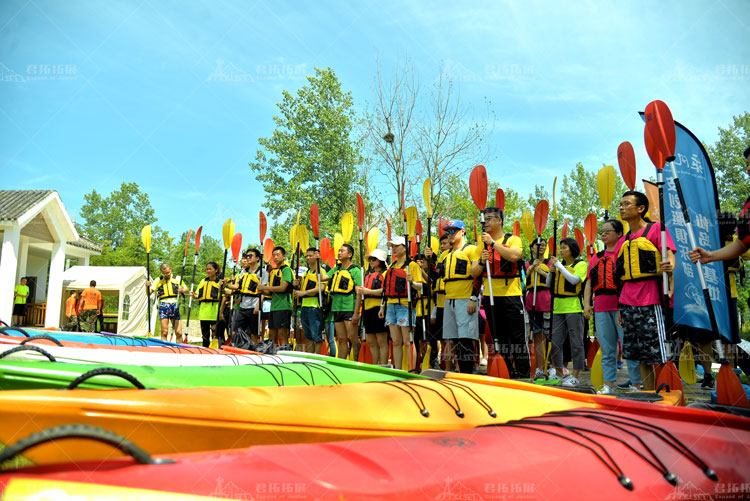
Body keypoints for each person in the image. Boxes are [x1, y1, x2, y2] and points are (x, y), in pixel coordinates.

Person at [616, 190, 676, 391]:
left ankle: (664, 392)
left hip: (651, 300)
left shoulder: (656, 229)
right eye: (621, 205)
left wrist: (670, 265)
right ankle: (649, 393)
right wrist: (620, 308)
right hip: (627, 302)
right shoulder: (622, 241)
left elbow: (669, 254)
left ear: (641, 209)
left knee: (657, 352)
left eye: (626, 204)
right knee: (639, 354)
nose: (622, 208)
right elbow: (620, 276)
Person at [471, 206, 529, 379]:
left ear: (499, 220)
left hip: (511, 295)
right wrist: (481, 261)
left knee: (517, 338)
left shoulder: (513, 239)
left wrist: (493, 244)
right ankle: (506, 375)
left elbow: (515, 256)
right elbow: (473, 272)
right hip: (490, 297)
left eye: (489, 219)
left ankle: (524, 376)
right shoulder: (480, 245)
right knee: (499, 339)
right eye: (484, 219)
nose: (485, 222)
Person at [583, 219, 641, 394]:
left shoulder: (625, 254)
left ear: (619, 234)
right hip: (601, 306)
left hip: (622, 306)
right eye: (602, 231)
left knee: (628, 346)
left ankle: (636, 384)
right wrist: (587, 304)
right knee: (607, 348)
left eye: (607, 231)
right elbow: (588, 283)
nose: (603, 234)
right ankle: (609, 385)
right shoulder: (597, 257)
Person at [438, 220, 479, 374]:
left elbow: (477, 275)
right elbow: (436, 276)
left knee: (465, 339)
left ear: (462, 231)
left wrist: (473, 298)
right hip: (449, 299)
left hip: (465, 298)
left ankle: (468, 373)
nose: (450, 234)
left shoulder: (471, 250)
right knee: (453, 339)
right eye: (448, 231)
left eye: (453, 230)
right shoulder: (445, 255)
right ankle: (459, 371)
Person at [547, 237, 588, 387]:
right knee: (556, 342)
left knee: (576, 342)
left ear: (572, 249)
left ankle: (575, 375)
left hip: (574, 308)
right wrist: (552, 271)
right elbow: (548, 284)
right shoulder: (559, 265)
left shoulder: (581, 264)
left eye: (564, 247)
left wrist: (558, 266)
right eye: (561, 247)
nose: (561, 250)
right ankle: (558, 373)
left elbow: (574, 280)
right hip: (558, 307)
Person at [380, 236, 423, 370]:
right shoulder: (391, 266)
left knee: (408, 341)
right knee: (396, 341)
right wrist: (382, 306)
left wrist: (412, 282)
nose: (394, 249)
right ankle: (398, 370)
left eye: (396, 246)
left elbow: (421, 286)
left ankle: (411, 370)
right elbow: (386, 288)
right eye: (392, 246)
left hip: (406, 305)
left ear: (404, 248)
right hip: (391, 305)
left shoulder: (412, 265)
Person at [323, 244, 362, 360]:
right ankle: (341, 362)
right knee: (341, 339)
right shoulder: (336, 269)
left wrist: (356, 313)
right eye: (338, 251)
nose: (339, 253)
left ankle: (356, 362)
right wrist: (316, 261)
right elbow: (322, 277)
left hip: (349, 308)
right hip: (336, 308)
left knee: (353, 338)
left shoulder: (355, 270)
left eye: (342, 251)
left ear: (349, 254)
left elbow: (359, 293)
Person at [357, 248, 389, 365]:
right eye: (370, 259)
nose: (371, 261)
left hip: (379, 308)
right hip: (367, 309)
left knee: (381, 340)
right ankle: (375, 364)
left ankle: (384, 365)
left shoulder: (386, 273)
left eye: (374, 259)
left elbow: (386, 290)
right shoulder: (368, 275)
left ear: (381, 261)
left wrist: (368, 291)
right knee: (371, 341)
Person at [525, 238, 551, 380]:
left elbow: (552, 281)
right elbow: (524, 281)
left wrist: (540, 270)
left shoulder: (549, 263)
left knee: (547, 335)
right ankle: (539, 368)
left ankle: (549, 367)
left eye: (543, 246)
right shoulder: (527, 264)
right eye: (538, 245)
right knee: (536, 335)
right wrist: (531, 269)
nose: (541, 247)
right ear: (532, 248)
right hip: (532, 301)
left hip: (546, 301)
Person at [226, 249, 263, 348]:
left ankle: (254, 351)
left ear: (257, 258)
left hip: (254, 306)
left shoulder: (262, 272)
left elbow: (263, 291)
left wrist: (258, 306)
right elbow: (237, 286)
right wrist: (226, 285)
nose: (248, 258)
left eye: (250, 256)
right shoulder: (243, 272)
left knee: (253, 333)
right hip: (243, 306)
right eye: (247, 256)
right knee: (235, 331)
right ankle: (238, 348)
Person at [257, 247, 293, 347]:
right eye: (274, 256)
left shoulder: (286, 270)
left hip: (284, 306)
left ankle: (285, 353)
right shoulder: (273, 272)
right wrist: (262, 290)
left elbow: (283, 288)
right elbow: (270, 293)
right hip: (273, 307)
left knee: (282, 334)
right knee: (271, 334)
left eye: (278, 255)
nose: (276, 257)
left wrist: (267, 287)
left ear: (284, 256)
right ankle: (273, 354)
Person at [426, 234, 452, 370]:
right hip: (440, 304)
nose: (442, 246)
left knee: (452, 339)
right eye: (441, 244)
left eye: (445, 244)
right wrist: (430, 260)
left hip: (452, 301)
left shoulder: (456, 255)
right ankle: (445, 367)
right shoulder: (442, 259)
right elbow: (436, 275)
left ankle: (457, 366)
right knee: (443, 339)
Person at [147, 263, 189, 343]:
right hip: (163, 305)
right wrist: (147, 286)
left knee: (179, 332)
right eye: (164, 273)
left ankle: (180, 350)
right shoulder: (158, 280)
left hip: (174, 305)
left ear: (170, 269)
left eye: (167, 273)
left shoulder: (177, 278)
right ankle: (164, 349)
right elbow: (148, 293)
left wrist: (182, 290)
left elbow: (186, 288)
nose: (166, 275)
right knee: (164, 332)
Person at [294, 247, 325, 354]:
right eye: (306, 256)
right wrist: (297, 285)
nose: (307, 258)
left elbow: (322, 288)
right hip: (304, 307)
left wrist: (304, 293)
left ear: (316, 257)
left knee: (316, 336)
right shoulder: (306, 273)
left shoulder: (321, 271)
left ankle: (317, 358)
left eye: (310, 255)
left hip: (314, 306)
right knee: (308, 336)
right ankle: (310, 358)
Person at [190, 262, 222, 348]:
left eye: (210, 269)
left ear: (216, 270)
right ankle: (205, 349)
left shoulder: (219, 282)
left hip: (214, 310)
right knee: (205, 334)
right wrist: (193, 295)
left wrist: (221, 312)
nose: (208, 271)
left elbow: (224, 296)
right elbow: (197, 295)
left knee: (215, 333)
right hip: (204, 311)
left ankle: (215, 348)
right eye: (207, 269)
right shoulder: (203, 281)